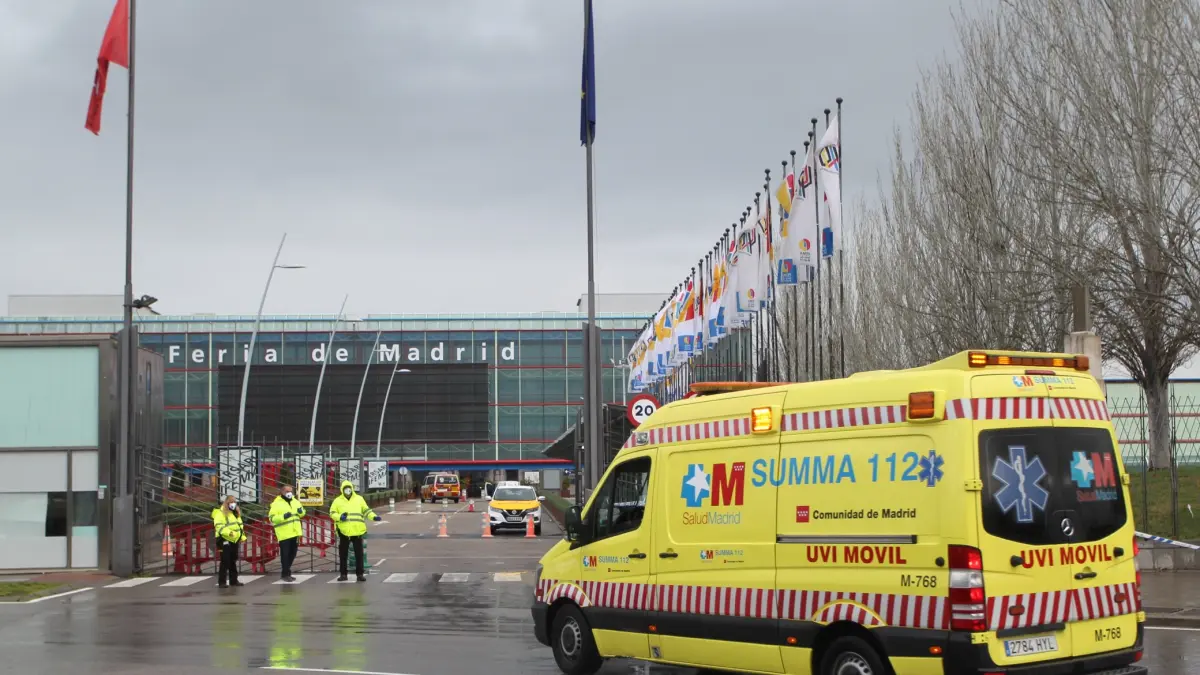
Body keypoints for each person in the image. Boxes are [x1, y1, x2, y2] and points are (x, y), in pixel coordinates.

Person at [328, 480, 380, 582]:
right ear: (342, 490)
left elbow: (366, 511)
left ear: (352, 489)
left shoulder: (359, 499)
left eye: (349, 488)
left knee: (359, 555)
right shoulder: (337, 501)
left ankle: (360, 574)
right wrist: (340, 517)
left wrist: (374, 517)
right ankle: (343, 574)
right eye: (345, 489)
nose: (347, 490)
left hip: (357, 531)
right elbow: (332, 513)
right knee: (343, 555)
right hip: (344, 532)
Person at [269, 484, 306, 582]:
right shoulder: (276, 503)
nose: (289, 493)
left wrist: (301, 511)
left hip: (295, 532)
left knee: (293, 553)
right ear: (282, 492)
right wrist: (283, 517)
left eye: (291, 491)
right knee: (285, 554)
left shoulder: (295, 501)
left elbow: (302, 513)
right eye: (287, 491)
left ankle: (287, 571)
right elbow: (272, 518)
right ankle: (285, 574)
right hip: (284, 533)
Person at [211, 495, 246, 588]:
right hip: (224, 539)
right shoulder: (220, 513)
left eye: (234, 502)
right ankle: (222, 582)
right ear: (226, 503)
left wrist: (242, 537)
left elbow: (240, 527)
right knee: (225, 560)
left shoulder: (235, 513)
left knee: (233, 560)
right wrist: (230, 533)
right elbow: (219, 527)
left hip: (234, 540)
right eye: (231, 502)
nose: (233, 504)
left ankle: (233, 580)